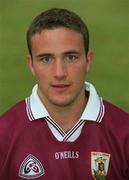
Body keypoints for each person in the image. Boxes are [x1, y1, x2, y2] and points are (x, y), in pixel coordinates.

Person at [0, 8, 129, 180]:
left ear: (88, 61)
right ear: (31, 65)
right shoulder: (4, 135)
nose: (59, 73)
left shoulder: (124, 132)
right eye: (46, 59)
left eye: (71, 57)